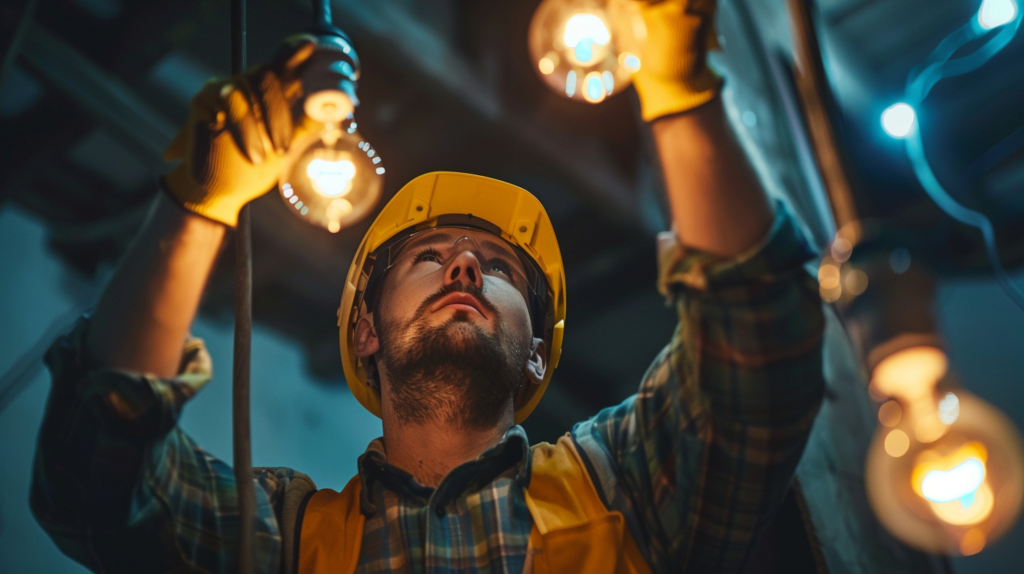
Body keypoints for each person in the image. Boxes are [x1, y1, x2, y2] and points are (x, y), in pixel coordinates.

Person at [30, 1, 825, 573]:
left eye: (500, 269)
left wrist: (682, 94)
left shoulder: (624, 486)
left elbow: (759, 355)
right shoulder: (280, 540)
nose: (466, 267)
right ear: (365, 332)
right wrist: (195, 210)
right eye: (429, 257)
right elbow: (96, 484)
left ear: (538, 358)